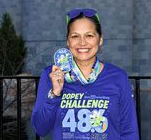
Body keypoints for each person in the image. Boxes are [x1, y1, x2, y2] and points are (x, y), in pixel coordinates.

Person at [31, 8, 139, 139]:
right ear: (68, 41)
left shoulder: (118, 77)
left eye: (89, 35)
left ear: (100, 39)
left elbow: (129, 131)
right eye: (75, 36)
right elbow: (40, 129)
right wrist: (55, 94)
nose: (82, 42)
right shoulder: (52, 75)